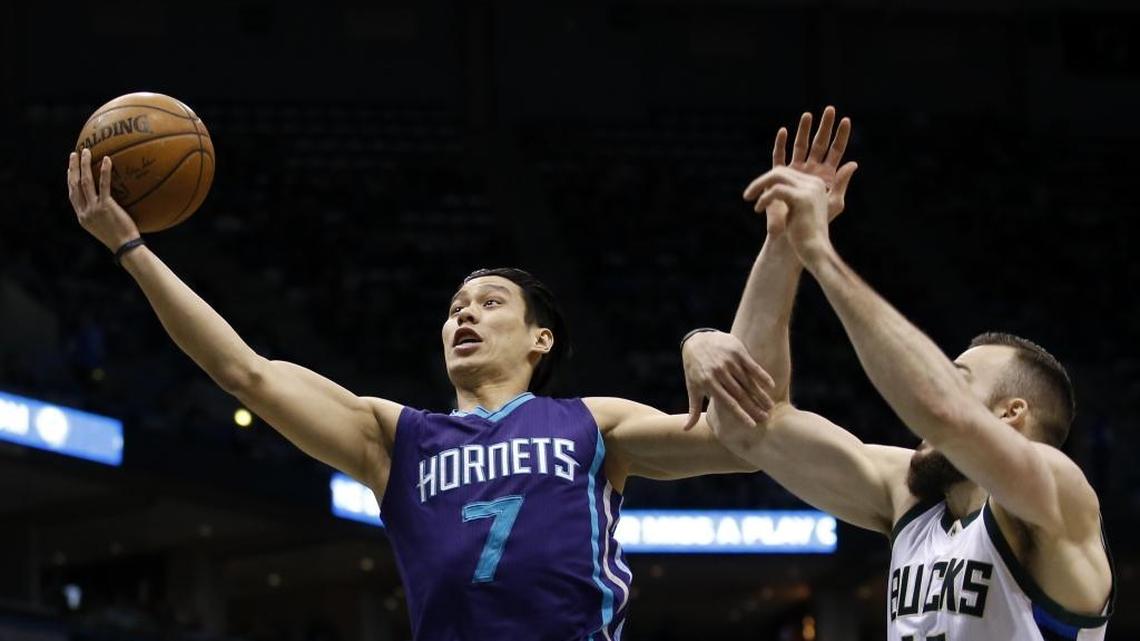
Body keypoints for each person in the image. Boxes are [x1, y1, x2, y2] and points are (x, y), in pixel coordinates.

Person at [65, 148, 777, 641]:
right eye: (455, 305)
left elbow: (744, 441)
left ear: (541, 339)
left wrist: (724, 315)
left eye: (490, 302)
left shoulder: (594, 422)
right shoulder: (395, 437)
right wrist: (132, 250)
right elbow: (245, 372)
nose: (464, 313)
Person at [681, 108, 1114, 640]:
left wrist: (821, 253)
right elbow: (748, 422)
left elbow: (944, 413)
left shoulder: (1055, 494)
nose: (935, 395)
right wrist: (785, 244)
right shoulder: (908, 496)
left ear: (1012, 412)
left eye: (958, 376)